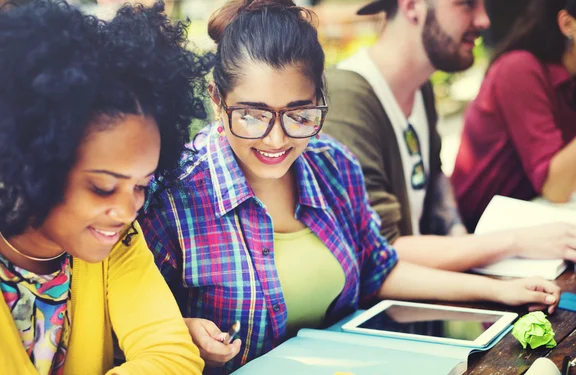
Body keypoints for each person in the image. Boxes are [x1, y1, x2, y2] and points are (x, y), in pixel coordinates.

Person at [141, 1, 561, 373]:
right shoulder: (172, 195)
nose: (276, 139)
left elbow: (378, 269)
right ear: (217, 99)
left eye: (299, 114)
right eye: (252, 115)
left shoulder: (333, 164)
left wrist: (501, 291)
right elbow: (123, 325)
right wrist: (179, 334)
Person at [0, 1, 210, 373]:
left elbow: (173, 358)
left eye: (141, 186)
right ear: (32, 162)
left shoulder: (119, 241)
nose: (127, 210)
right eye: (103, 187)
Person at [321, 0, 576, 271]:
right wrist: (515, 242)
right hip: (381, 310)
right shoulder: (346, 98)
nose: (483, 21)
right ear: (411, 7)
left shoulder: (421, 90)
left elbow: (435, 183)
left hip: (429, 299)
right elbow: (378, 249)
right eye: (466, 4)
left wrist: (461, 238)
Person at [451, 0, 576, 231]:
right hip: (475, 234)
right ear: (568, 24)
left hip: (530, 223)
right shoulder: (519, 69)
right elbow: (556, 187)